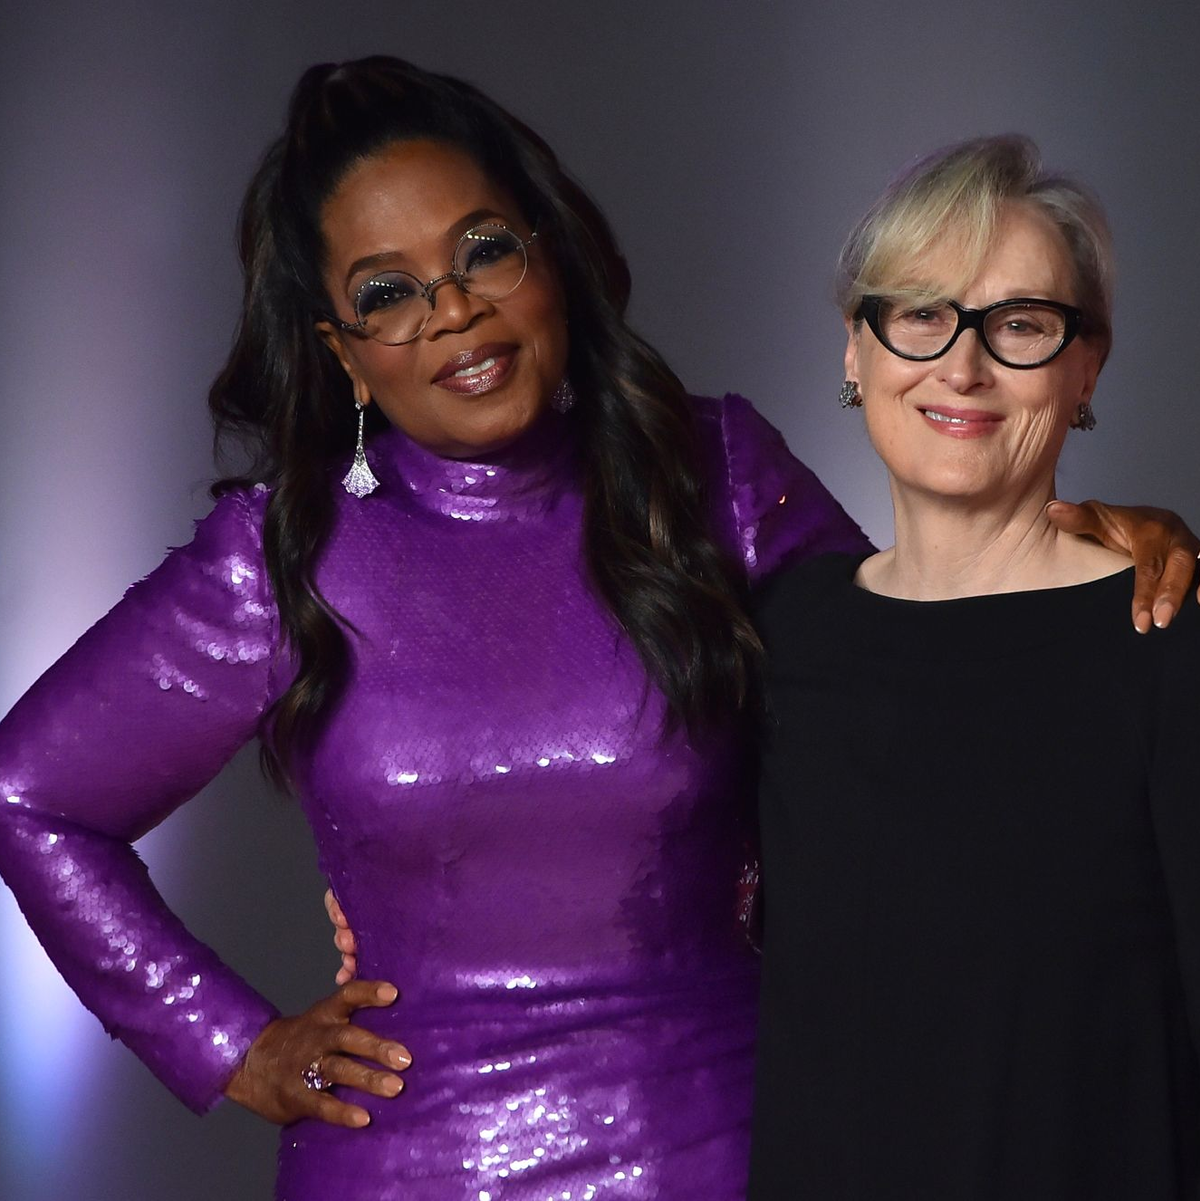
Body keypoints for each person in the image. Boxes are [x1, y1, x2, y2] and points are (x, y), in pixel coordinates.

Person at [0, 60, 1193, 1201]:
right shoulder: (286, 555)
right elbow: (31, 794)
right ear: (343, 352)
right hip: (408, 1160)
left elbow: (913, 696)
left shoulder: (712, 473)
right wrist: (234, 1044)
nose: (455, 307)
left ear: (549, 253)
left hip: (724, 1142)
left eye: (483, 251)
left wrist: (1069, 539)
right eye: (388, 293)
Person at [747, 135, 1200, 1199]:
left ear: (1086, 367)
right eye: (919, 313)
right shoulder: (782, 634)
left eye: (1022, 326)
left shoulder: (1165, 641)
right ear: (855, 354)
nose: (963, 364)